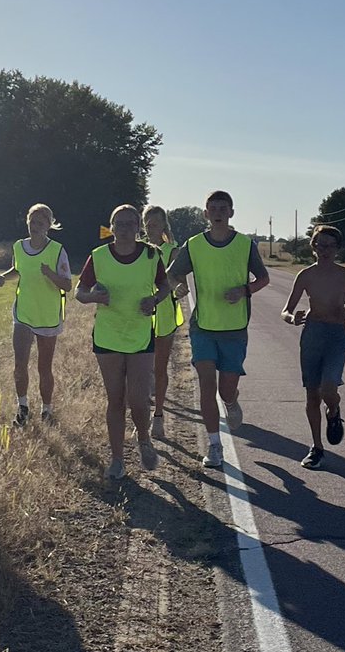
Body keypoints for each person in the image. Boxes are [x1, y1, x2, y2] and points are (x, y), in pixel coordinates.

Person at [167, 190, 270, 469]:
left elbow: (264, 278)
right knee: (206, 386)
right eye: (213, 208)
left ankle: (232, 401)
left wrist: (244, 290)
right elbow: (173, 273)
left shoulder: (244, 245)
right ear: (205, 214)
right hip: (203, 327)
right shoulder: (194, 244)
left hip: (235, 329)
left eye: (223, 208)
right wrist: (178, 287)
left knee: (225, 390)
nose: (218, 213)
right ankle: (214, 446)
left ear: (231, 213)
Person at [76, 204, 171, 480]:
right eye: (120, 223)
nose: (126, 228)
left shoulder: (152, 255)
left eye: (131, 223)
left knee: (139, 400)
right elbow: (80, 293)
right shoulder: (99, 256)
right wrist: (95, 297)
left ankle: (144, 440)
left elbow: (164, 286)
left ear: (138, 227)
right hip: (108, 336)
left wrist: (154, 300)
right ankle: (117, 460)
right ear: (111, 227)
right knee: (115, 400)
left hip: (140, 334)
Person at [281, 224, 345, 470]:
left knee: (328, 389)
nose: (324, 250)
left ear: (338, 249)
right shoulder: (305, 275)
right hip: (312, 334)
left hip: (336, 335)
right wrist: (293, 318)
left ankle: (333, 410)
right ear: (313, 246)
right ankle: (316, 448)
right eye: (320, 245)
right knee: (312, 394)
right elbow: (286, 310)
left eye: (330, 246)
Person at [0, 202, 73, 425]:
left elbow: (67, 285)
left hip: (47, 316)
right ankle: (23, 407)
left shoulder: (57, 250)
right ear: (27, 222)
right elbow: (17, 269)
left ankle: (46, 409)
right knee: (20, 364)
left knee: (44, 367)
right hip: (23, 314)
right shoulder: (19, 246)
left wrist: (50, 274)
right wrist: (3, 277)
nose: (35, 226)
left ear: (49, 225)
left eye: (40, 222)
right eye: (32, 221)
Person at [144, 204, 183, 440]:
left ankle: (158, 416)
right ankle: (143, 413)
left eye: (155, 224)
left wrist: (178, 287)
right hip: (139, 315)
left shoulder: (172, 251)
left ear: (163, 225)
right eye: (147, 224)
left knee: (159, 368)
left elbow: (178, 281)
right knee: (141, 370)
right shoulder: (139, 249)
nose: (151, 228)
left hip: (165, 315)